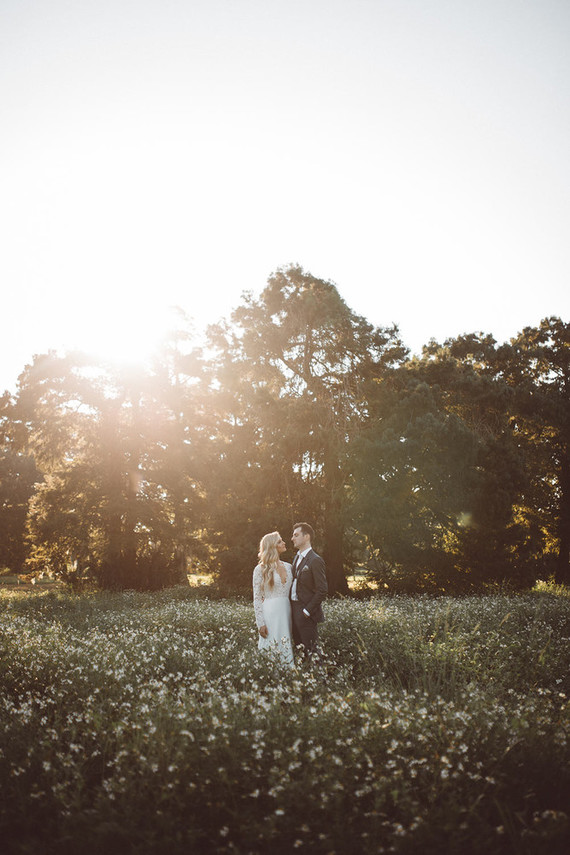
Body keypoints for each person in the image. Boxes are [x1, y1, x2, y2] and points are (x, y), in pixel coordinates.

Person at [252, 531, 294, 666]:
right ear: (272, 546)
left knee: (286, 644)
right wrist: (260, 623)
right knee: (270, 647)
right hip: (269, 613)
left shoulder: (289, 567)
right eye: (280, 541)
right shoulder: (260, 569)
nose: (284, 543)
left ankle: (288, 677)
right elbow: (257, 598)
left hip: (286, 612)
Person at [289, 522, 328, 658]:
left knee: (313, 652)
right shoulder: (296, 558)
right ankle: (304, 677)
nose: (292, 538)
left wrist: (306, 611)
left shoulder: (315, 560)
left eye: (296, 535)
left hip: (306, 613)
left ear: (306, 537)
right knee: (300, 652)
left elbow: (322, 590)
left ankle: (319, 678)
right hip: (293, 610)